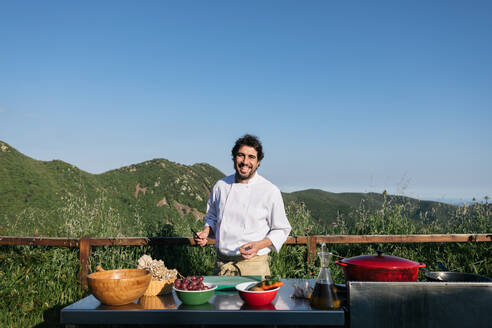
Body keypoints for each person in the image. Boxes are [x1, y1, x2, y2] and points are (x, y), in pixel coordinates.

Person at [194, 134, 292, 278]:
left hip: (254, 267)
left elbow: (282, 229)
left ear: (258, 162)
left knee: (252, 302)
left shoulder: (270, 191)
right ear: (234, 158)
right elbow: (212, 217)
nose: (245, 161)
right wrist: (205, 232)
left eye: (251, 157)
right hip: (222, 266)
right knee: (220, 302)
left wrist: (260, 244)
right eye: (241, 155)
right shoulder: (221, 186)